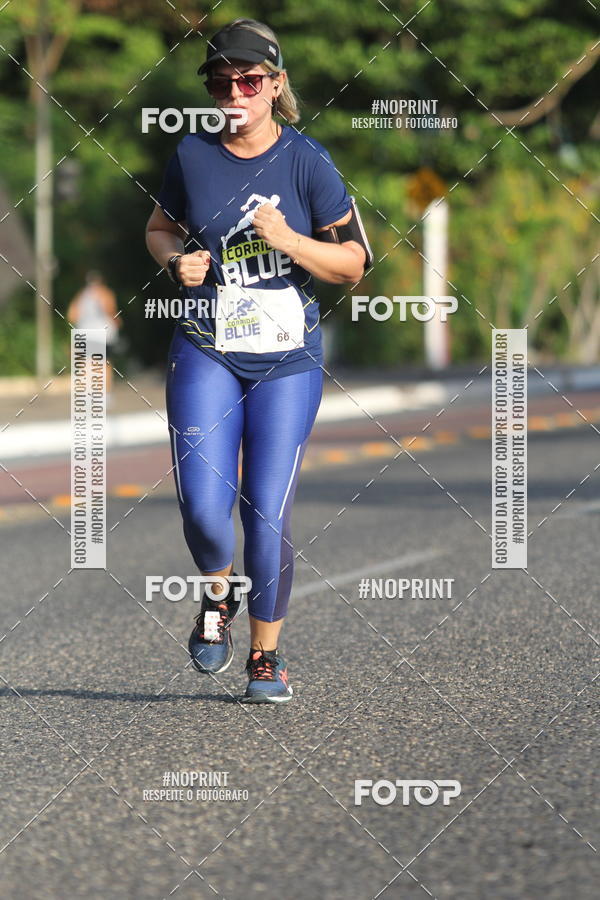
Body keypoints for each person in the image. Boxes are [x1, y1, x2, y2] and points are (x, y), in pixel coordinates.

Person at [145, 18, 370, 703]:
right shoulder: (191, 156)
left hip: (285, 361)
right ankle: (218, 595)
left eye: (249, 80)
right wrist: (175, 260)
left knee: (265, 515)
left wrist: (291, 240)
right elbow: (158, 228)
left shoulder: (308, 161)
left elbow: (355, 263)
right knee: (204, 513)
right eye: (222, 82)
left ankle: (266, 657)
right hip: (207, 347)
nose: (234, 91)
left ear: (274, 85)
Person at [66, 271, 121, 397]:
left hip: (85, 333)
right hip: (103, 333)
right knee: (105, 363)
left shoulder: (81, 296)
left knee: (87, 362)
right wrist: (117, 322)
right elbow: (110, 311)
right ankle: (105, 393)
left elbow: (72, 315)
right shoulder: (105, 293)